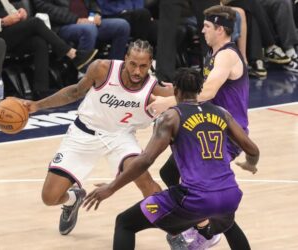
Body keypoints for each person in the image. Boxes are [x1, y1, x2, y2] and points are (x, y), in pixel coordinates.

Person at [83, 67, 260, 250]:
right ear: (200, 90)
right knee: (227, 223)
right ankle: (199, 227)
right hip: (230, 194)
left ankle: (193, 226)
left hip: (195, 198)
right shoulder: (222, 113)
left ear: (175, 90)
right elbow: (253, 149)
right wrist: (250, 164)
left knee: (125, 223)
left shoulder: (171, 117)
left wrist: (111, 188)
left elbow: (145, 160)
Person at [22, 40, 173, 235]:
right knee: (49, 197)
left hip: (120, 137)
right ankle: (73, 199)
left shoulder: (157, 91)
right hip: (84, 132)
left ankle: (174, 231)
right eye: (133, 64)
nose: (137, 71)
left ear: (151, 63)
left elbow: (190, 100)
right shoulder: (102, 69)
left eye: (143, 66)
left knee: (145, 180)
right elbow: (74, 92)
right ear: (125, 59)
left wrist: (174, 97)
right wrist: (37, 106)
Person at [148, 5, 253, 249]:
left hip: (227, 135)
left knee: (212, 198)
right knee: (170, 174)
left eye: (207, 26)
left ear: (220, 29)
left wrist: (167, 101)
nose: (202, 30)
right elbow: (192, 91)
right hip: (208, 130)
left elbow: (207, 91)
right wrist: (151, 90)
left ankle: (208, 230)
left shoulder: (227, 55)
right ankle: (202, 225)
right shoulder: (213, 55)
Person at [0, 0, 98, 99]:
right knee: (35, 22)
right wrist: (2, 22)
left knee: (39, 42)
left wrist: (20, 14)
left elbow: (10, 11)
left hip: (10, 31)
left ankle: (41, 91)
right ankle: (72, 53)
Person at [33, 0, 130, 60]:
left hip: (88, 21)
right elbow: (43, 7)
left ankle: (112, 69)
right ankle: (83, 73)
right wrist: (75, 19)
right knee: (89, 30)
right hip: (63, 25)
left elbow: (93, 3)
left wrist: (95, 14)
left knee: (122, 26)